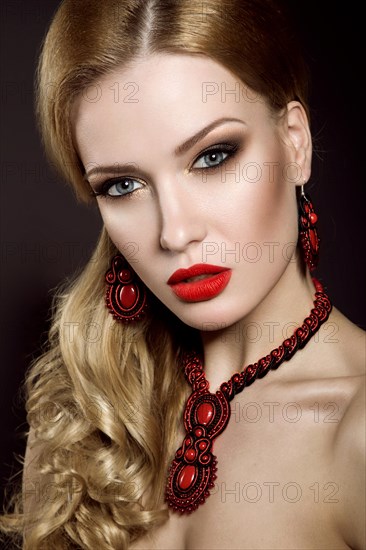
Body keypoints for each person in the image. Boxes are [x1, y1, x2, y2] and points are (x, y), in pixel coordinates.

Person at [1, 0, 365, 548]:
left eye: (213, 156)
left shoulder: (358, 432)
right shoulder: (78, 423)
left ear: (295, 143)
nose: (174, 233)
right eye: (122, 185)